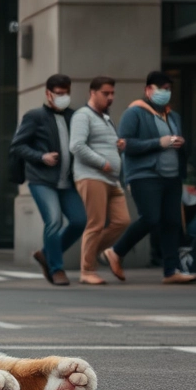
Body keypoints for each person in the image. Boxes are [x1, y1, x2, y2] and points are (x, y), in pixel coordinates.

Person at [103, 71, 196, 285]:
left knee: (172, 222)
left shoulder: (173, 116)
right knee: (151, 217)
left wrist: (180, 143)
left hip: (172, 177)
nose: (165, 92)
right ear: (148, 90)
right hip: (145, 175)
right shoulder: (134, 112)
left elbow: (179, 146)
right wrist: (159, 142)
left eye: (168, 89)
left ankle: (171, 270)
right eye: (160, 88)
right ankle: (116, 251)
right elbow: (125, 144)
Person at [10, 74, 86, 286]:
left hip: (67, 181)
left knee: (80, 221)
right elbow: (17, 146)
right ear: (48, 94)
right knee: (54, 221)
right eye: (59, 94)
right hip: (42, 180)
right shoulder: (34, 116)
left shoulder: (75, 116)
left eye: (66, 93)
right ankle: (56, 269)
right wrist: (41, 157)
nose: (64, 97)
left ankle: (46, 254)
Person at [69, 76, 128, 285]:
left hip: (112, 180)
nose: (110, 97)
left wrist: (118, 145)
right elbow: (76, 145)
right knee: (95, 224)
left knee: (122, 221)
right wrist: (101, 162)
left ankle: (98, 252)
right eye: (106, 93)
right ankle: (87, 270)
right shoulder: (83, 116)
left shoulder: (105, 117)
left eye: (112, 93)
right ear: (92, 93)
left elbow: (103, 142)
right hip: (92, 176)